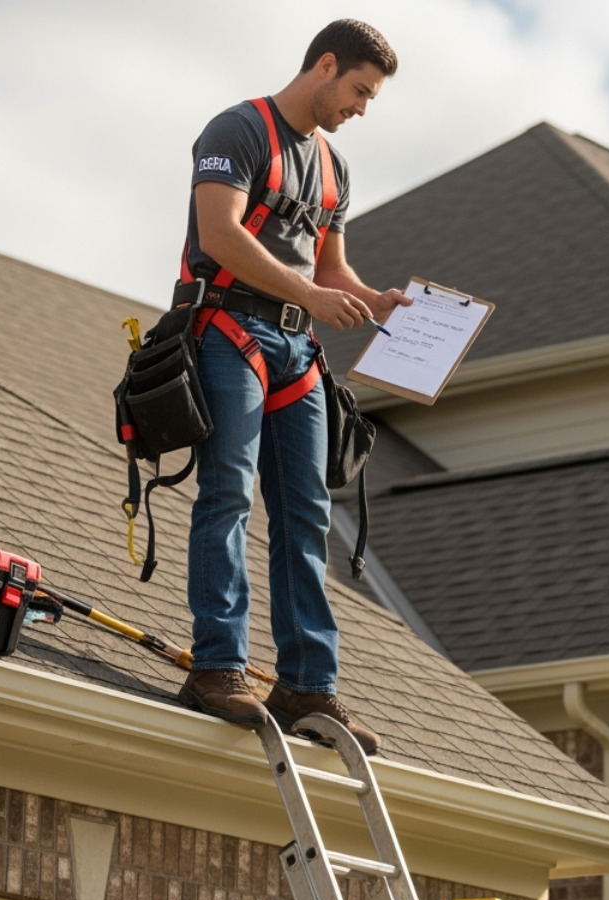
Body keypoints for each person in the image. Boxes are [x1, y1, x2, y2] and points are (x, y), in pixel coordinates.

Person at [176, 19, 410, 755]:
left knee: (307, 516)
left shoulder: (335, 169)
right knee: (227, 495)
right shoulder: (239, 129)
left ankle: (307, 682)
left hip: (294, 349)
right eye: (360, 91)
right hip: (227, 331)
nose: (362, 109)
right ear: (326, 66)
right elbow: (219, 235)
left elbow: (329, 270)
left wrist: (372, 301)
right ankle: (217, 668)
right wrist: (310, 299)